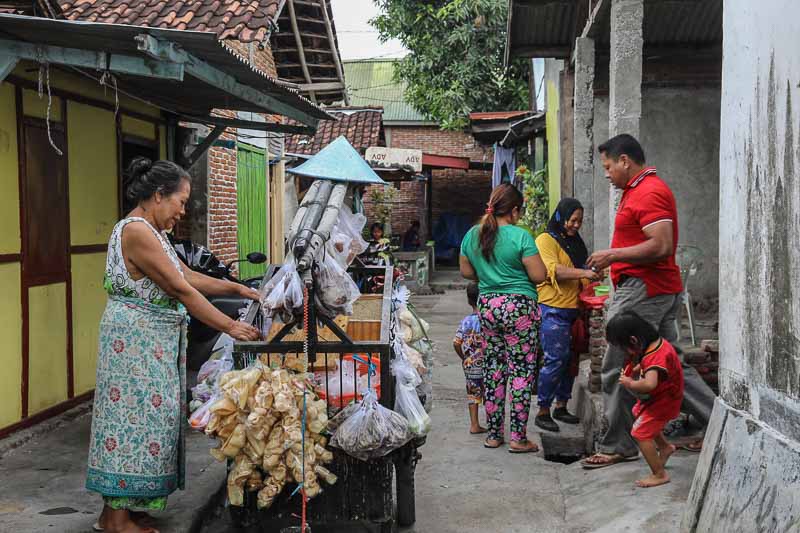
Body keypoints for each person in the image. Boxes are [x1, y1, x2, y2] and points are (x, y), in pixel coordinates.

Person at [87, 158, 261, 533]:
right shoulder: (136, 230)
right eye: (180, 202)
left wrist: (238, 288)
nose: (183, 212)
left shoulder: (153, 232)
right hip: (133, 345)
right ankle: (116, 519)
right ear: (157, 195)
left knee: (154, 421)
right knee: (131, 423)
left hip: (150, 343)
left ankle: (123, 510)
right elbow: (180, 290)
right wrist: (232, 326)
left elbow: (186, 274)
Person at [582, 134, 715, 469]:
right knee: (671, 366)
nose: (607, 174)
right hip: (653, 288)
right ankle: (716, 422)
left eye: (609, 166)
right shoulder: (637, 191)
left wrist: (612, 255)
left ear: (625, 160)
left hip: (643, 290)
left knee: (615, 367)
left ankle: (616, 444)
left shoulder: (650, 191)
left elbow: (662, 245)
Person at [460, 183, 547, 453]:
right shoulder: (521, 237)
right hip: (519, 308)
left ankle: (494, 434)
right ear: (515, 210)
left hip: (487, 307)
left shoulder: (473, 234)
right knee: (520, 371)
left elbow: (465, 271)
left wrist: (489, 276)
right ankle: (518, 438)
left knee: (494, 371)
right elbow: (539, 276)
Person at [534, 198, 602, 432]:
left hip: (574, 309)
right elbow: (554, 270)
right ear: (561, 217)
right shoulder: (545, 240)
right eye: (572, 220)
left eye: (580, 221)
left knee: (571, 361)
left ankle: (561, 405)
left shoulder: (576, 243)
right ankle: (543, 409)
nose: (575, 225)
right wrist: (583, 272)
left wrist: (593, 275)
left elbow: (581, 273)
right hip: (552, 308)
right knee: (555, 358)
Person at [607, 311, 684, 488]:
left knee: (640, 433)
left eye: (623, 347)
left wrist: (630, 383)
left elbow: (649, 384)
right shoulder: (658, 344)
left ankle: (659, 474)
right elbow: (652, 366)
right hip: (663, 396)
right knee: (640, 416)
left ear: (633, 341)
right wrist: (638, 367)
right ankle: (665, 447)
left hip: (665, 400)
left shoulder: (653, 356)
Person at [453, 282, 487, 435]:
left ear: (468, 300)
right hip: (488, 363)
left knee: (473, 393)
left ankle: (474, 424)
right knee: (491, 392)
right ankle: (493, 424)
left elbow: (456, 342)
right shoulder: (488, 320)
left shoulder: (466, 321)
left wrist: (463, 357)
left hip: (470, 364)